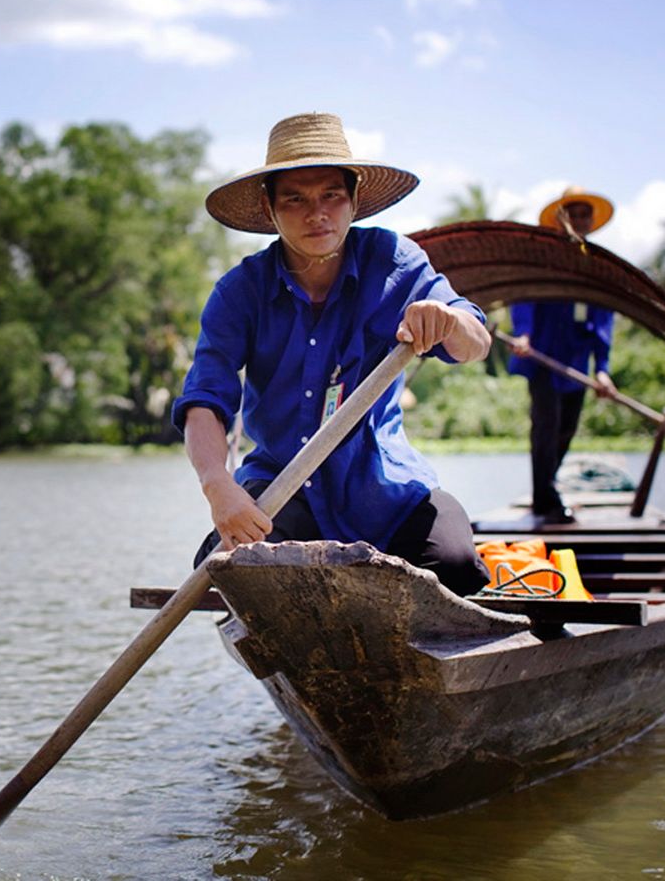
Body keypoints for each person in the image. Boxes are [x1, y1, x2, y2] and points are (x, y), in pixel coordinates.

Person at [172, 112, 491, 596]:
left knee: (455, 564)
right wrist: (219, 489)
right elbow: (204, 399)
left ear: (355, 200)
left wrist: (448, 322)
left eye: (331, 196)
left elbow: (475, 343)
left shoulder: (394, 262)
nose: (315, 214)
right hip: (281, 491)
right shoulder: (241, 291)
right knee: (230, 570)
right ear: (270, 209)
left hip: (384, 488)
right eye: (295, 200)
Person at [507, 187, 618, 524]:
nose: (579, 220)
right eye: (574, 213)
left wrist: (602, 369)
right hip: (543, 358)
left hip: (576, 364)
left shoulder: (595, 264)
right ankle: (546, 499)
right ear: (561, 217)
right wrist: (523, 334)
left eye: (585, 214)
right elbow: (524, 297)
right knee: (546, 426)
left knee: (566, 428)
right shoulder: (543, 257)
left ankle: (547, 489)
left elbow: (603, 320)